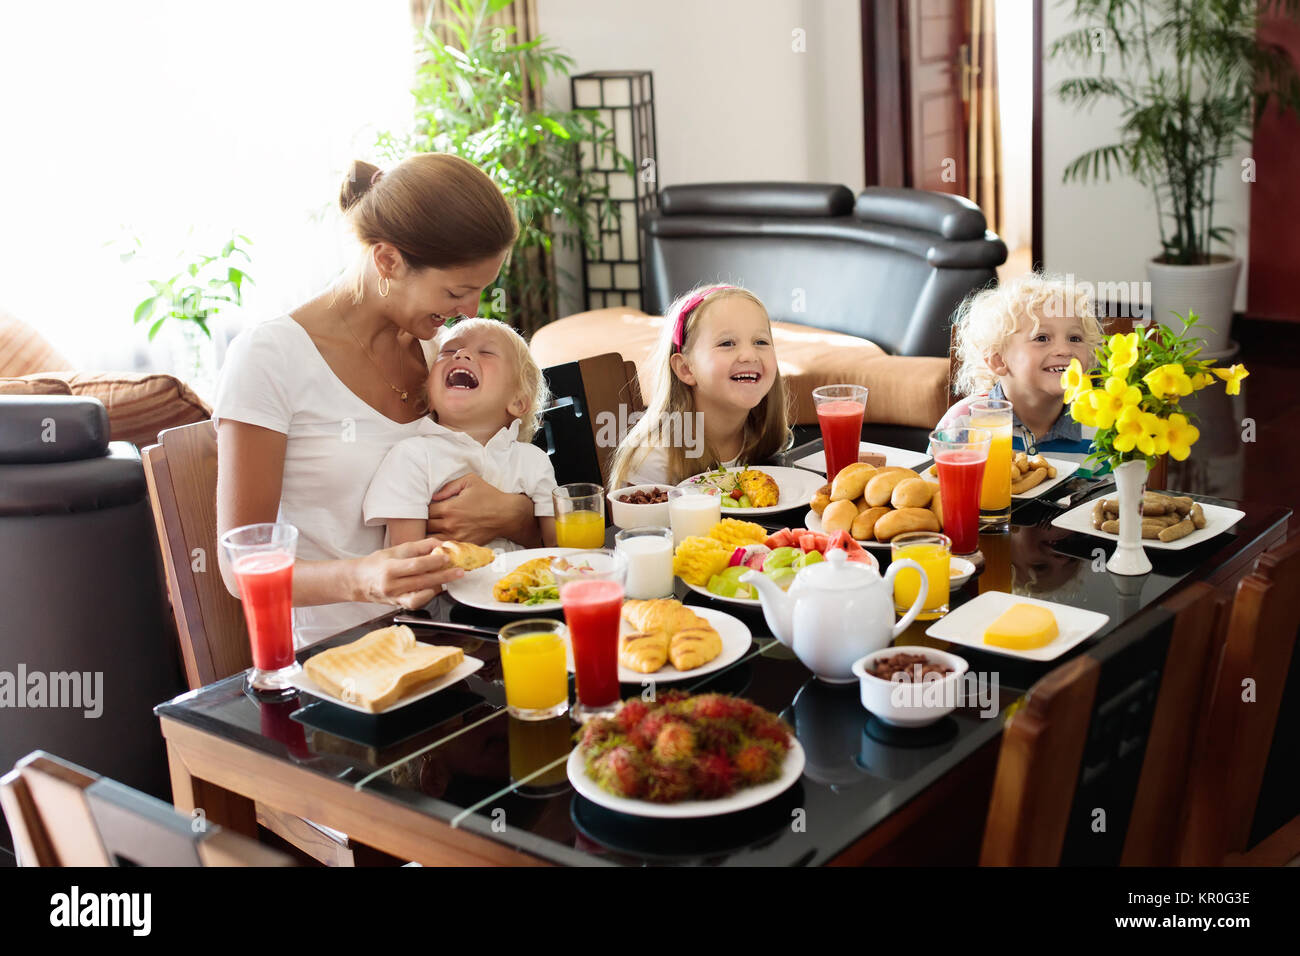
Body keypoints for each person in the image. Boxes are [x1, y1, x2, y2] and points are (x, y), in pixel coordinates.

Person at [215, 153, 542, 648]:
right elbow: (241, 569)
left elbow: (499, 469)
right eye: (457, 291)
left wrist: (514, 515)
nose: (468, 313)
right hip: (344, 660)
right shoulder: (271, 358)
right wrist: (363, 577)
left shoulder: (441, 356)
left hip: (458, 636)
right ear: (387, 260)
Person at [363, 317, 558, 550]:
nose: (462, 354)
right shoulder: (411, 458)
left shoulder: (534, 462)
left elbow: (557, 548)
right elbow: (407, 561)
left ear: (518, 402)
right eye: (449, 350)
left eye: (486, 352)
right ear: (430, 398)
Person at [608, 284, 792, 488]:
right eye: (727, 343)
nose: (749, 355)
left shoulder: (762, 436)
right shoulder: (655, 458)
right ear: (686, 369)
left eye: (760, 342)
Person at [940, 272, 1104, 455]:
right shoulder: (963, 423)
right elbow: (934, 482)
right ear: (998, 360)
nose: (1065, 350)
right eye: (1042, 338)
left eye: (1075, 338)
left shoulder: (1099, 426)